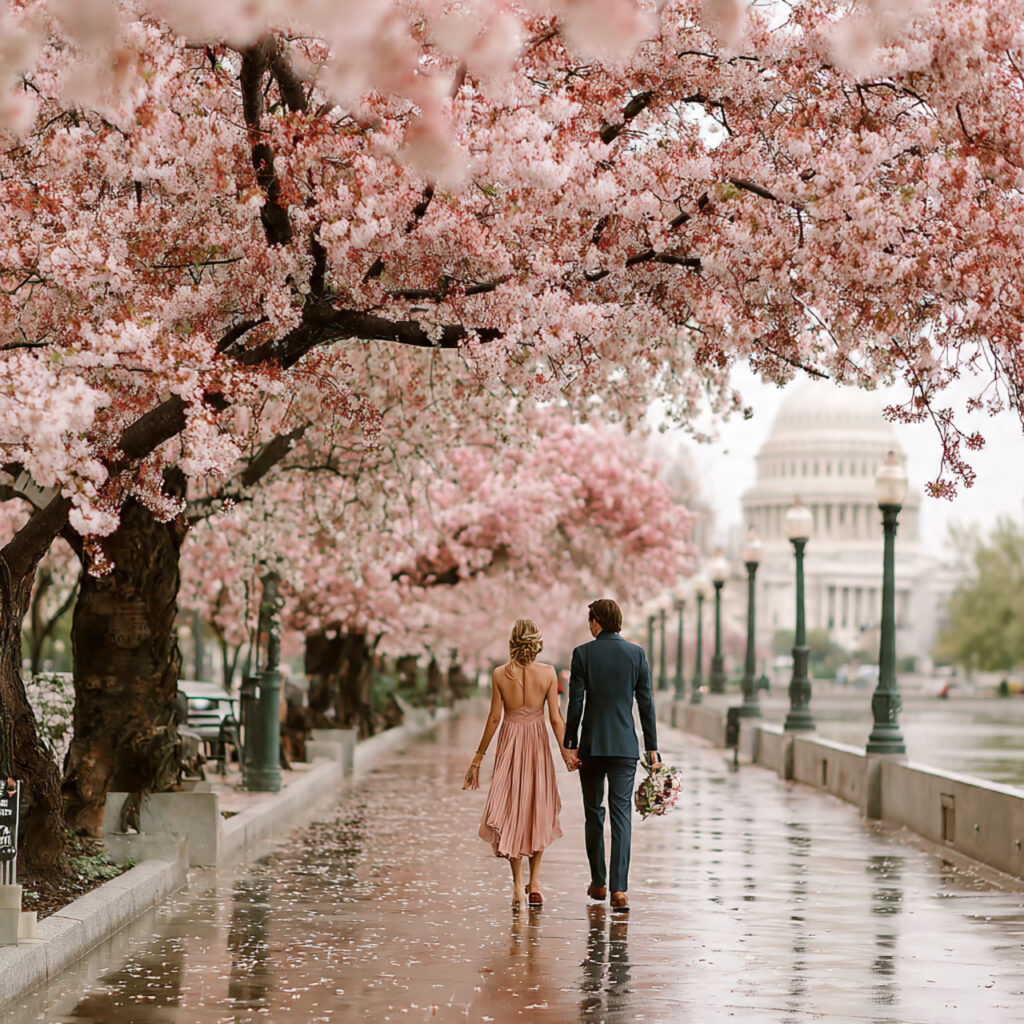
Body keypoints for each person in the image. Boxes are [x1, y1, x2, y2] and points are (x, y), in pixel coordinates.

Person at [463, 619, 580, 908]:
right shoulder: (548, 673)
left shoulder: (499, 674)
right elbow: (556, 718)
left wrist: (478, 757)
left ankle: (517, 884)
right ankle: (535, 882)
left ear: (513, 642)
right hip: (537, 743)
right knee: (538, 806)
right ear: (537, 643)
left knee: (512, 808)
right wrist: (567, 753)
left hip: (510, 743)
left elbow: (494, 718)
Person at [564, 598, 660, 913]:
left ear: (597, 622)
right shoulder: (636, 654)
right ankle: (619, 889)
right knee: (621, 815)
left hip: (592, 745)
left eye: (590, 620)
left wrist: (570, 741)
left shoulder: (583, 654)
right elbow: (646, 703)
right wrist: (652, 747)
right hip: (624, 746)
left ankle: (599, 882)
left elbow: (576, 702)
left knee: (594, 812)